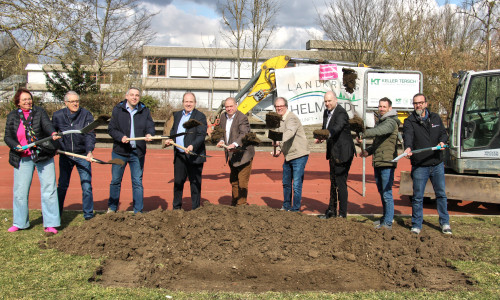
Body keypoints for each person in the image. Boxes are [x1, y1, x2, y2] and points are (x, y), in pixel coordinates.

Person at [4, 88, 61, 234]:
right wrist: (15, 146)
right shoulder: (12, 116)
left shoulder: (39, 112)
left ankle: (51, 223)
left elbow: (47, 125)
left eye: (29, 99)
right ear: (18, 102)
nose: (28, 101)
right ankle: (20, 222)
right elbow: (8, 136)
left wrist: (53, 133)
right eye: (24, 99)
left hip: (42, 155)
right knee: (20, 192)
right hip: (23, 158)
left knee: (49, 189)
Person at [403, 93, 452, 235]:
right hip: (420, 165)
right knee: (418, 196)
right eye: (415, 103)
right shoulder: (409, 121)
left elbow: (443, 133)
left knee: (441, 194)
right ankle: (416, 224)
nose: (418, 105)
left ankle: (445, 223)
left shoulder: (435, 118)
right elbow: (408, 137)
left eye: (420, 103)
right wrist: (408, 148)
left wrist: (443, 142)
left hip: (436, 164)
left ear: (425, 104)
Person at [107, 87, 155, 213]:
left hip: (137, 152)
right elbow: (111, 129)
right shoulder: (118, 110)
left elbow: (150, 126)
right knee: (115, 181)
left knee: (137, 182)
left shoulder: (144, 110)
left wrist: (150, 134)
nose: (134, 97)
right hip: (120, 151)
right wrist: (120, 137)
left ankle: (138, 210)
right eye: (132, 95)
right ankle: (112, 208)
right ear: (126, 96)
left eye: (137, 95)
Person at [52, 91, 96, 220]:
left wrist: (89, 151)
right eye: (72, 101)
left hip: (82, 155)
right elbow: (53, 133)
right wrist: (56, 147)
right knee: (62, 185)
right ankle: (56, 214)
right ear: (66, 103)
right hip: (65, 155)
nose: (75, 104)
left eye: (77, 101)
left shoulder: (86, 114)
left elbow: (89, 134)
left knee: (87, 186)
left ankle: (88, 215)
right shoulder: (58, 115)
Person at [358, 97, 400, 229]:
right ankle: (384, 219)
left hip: (387, 162)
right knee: (382, 193)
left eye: (384, 107)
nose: (381, 109)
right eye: (380, 106)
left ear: (390, 108)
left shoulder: (391, 121)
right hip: (379, 161)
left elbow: (379, 131)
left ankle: (388, 222)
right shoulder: (381, 122)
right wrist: (368, 152)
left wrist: (364, 133)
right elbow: (378, 143)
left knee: (387, 193)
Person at [315, 91, 355, 218]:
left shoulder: (341, 112)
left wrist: (328, 134)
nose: (327, 104)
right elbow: (325, 128)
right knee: (333, 182)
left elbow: (337, 128)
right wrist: (321, 137)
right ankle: (331, 211)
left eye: (329, 101)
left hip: (343, 153)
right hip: (333, 152)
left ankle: (342, 214)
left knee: (340, 183)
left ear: (336, 100)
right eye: (325, 101)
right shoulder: (326, 112)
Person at [166, 92, 207, 210]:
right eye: (186, 101)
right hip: (179, 155)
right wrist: (171, 139)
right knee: (178, 182)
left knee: (195, 184)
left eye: (191, 102)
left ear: (195, 103)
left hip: (194, 155)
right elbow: (174, 130)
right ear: (183, 102)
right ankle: (176, 208)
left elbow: (201, 135)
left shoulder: (200, 116)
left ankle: (195, 209)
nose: (188, 104)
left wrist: (192, 146)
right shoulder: (177, 115)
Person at [272, 97, 310, 212]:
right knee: (286, 182)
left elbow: (289, 132)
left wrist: (279, 140)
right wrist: (278, 149)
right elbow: (278, 134)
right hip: (288, 155)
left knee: (297, 184)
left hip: (299, 154)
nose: (279, 108)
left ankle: (295, 209)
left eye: (281, 106)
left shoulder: (291, 118)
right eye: (277, 106)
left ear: (286, 106)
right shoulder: (279, 119)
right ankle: (286, 206)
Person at [216, 97, 255, 206]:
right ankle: (234, 204)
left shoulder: (242, 118)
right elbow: (221, 132)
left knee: (242, 183)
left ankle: (242, 205)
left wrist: (234, 144)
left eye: (231, 106)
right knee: (234, 181)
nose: (229, 109)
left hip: (244, 155)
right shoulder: (223, 117)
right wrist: (221, 140)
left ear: (236, 105)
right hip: (232, 154)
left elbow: (244, 134)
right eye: (227, 107)